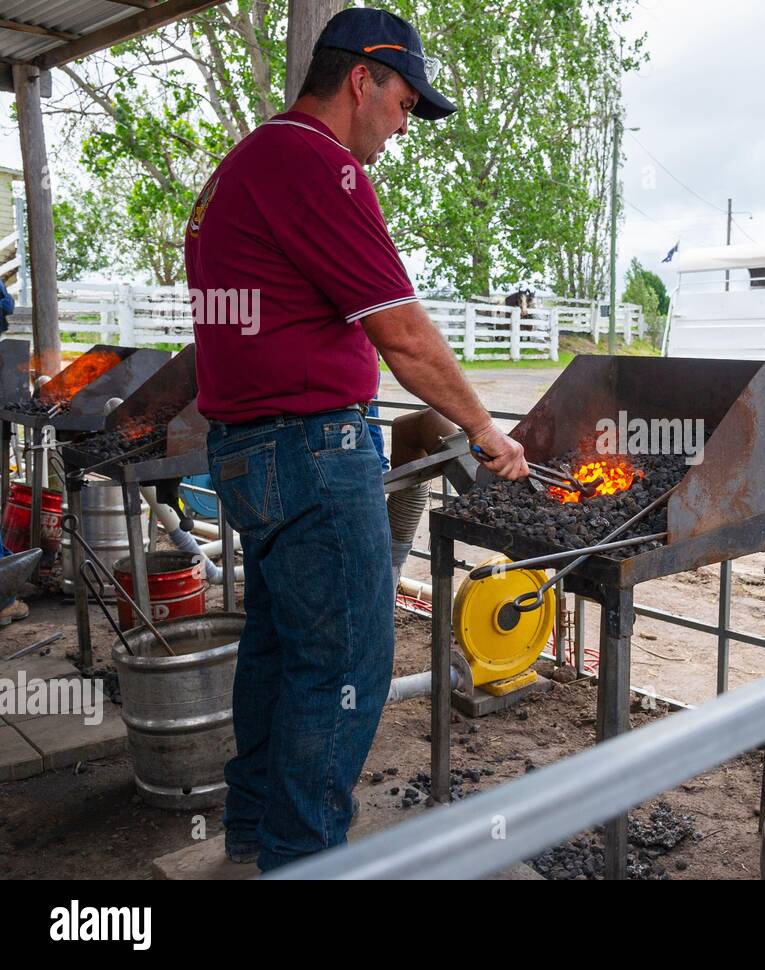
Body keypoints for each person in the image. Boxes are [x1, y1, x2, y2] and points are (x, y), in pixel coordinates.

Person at [186, 7, 528, 872]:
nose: (404, 124)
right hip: (308, 452)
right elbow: (405, 337)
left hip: (244, 452)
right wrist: (486, 429)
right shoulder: (316, 163)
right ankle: (305, 861)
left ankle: (254, 837)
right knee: (345, 664)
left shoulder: (246, 161)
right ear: (360, 80)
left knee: (279, 648)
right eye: (406, 103)